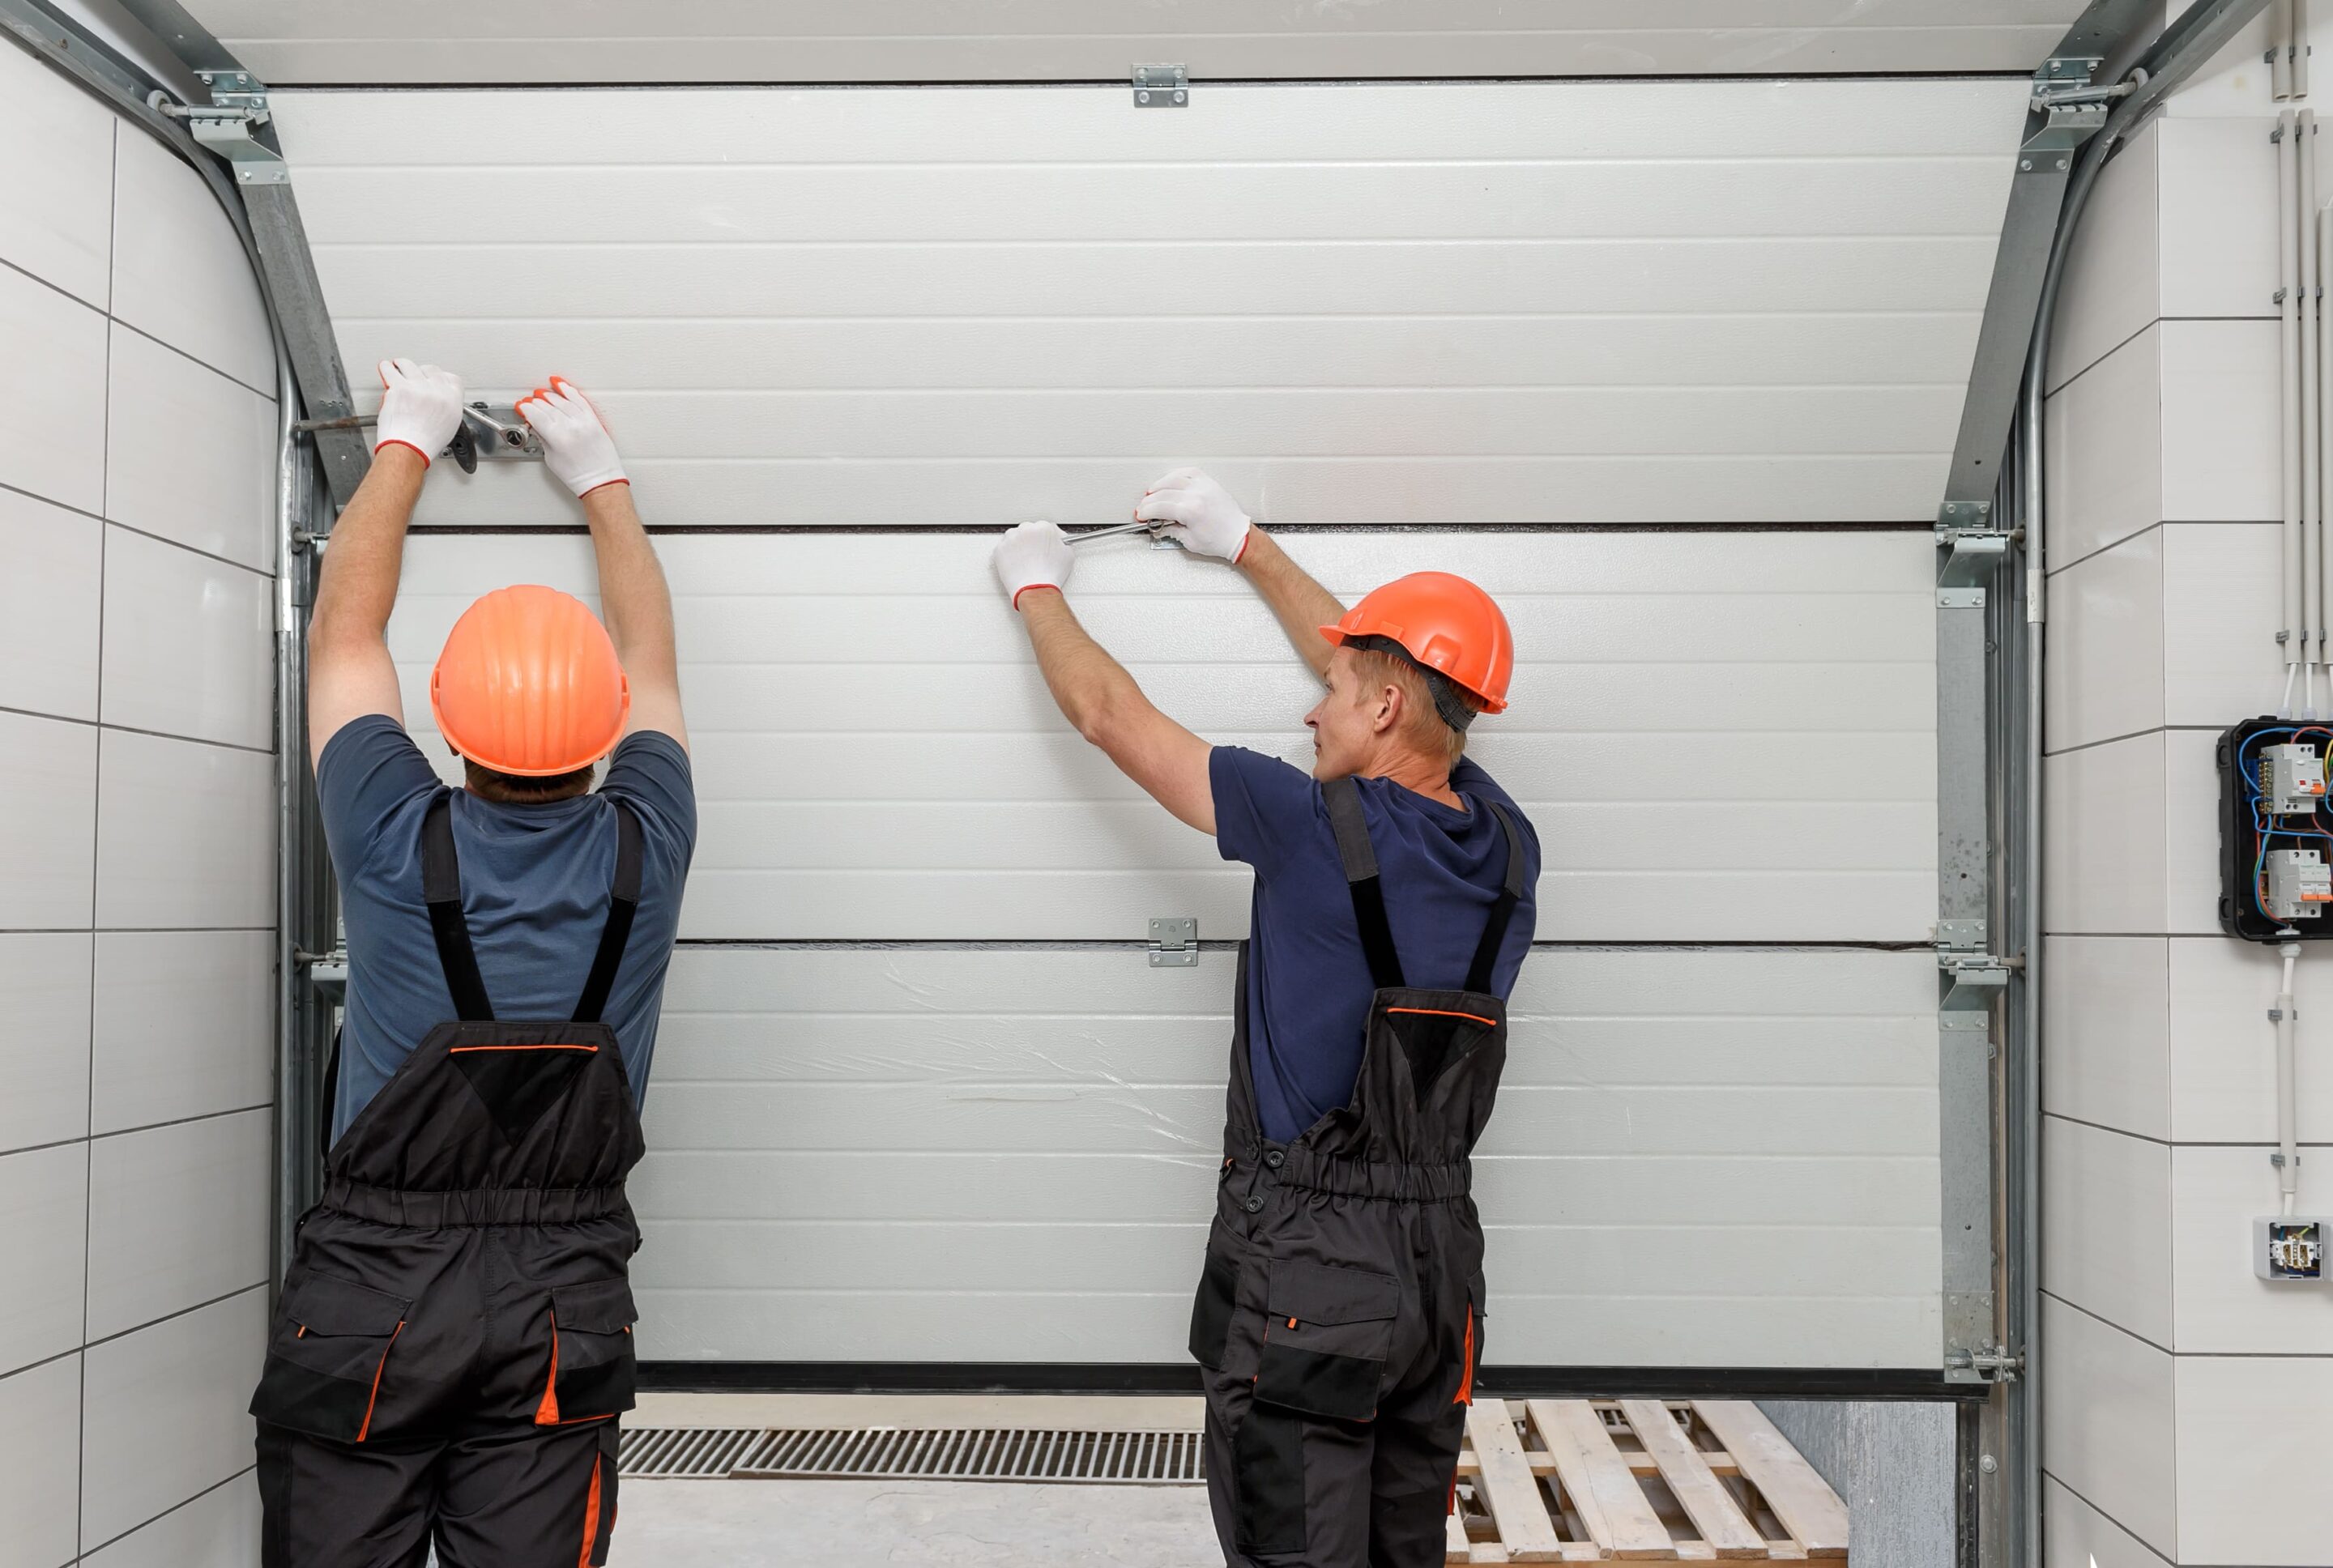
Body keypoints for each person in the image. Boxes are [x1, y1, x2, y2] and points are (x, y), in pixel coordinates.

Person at [991, 469, 1541, 1568]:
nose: (1310, 705)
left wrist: (1034, 586)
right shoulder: (1505, 841)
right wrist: (1244, 545)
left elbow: (1107, 716)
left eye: (1336, 694)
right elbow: (1391, 680)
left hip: (1313, 1267)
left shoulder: (1303, 823)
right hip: (1438, 1272)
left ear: (1383, 710)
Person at [250, 361, 695, 1568]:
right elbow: (653, 660)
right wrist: (600, 476)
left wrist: (406, 441)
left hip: (373, 1294)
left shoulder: (394, 833)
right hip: (561, 1295)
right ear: (606, 732)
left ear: (448, 727)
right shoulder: (648, 847)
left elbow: (346, 627)